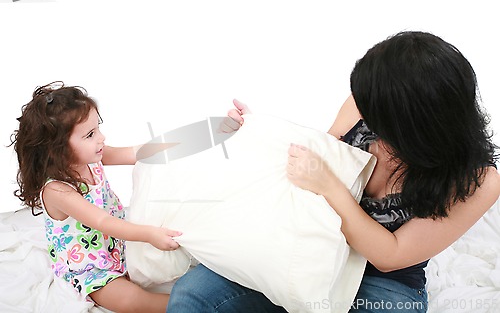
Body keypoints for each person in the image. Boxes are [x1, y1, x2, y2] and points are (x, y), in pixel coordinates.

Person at [166, 31, 500, 312]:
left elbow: (391, 256)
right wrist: (257, 133)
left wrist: (331, 188)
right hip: (316, 247)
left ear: (414, 125)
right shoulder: (366, 102)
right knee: (193, 293)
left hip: (383, 284)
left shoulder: (477, 181)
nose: (371, 120)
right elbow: (314, 160)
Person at [10, 82, 181, 313]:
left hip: (117, 245)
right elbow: (103, 222)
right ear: (58, 149)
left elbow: (134, 153)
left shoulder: (92, 157)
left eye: (97, 128)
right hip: (89, 268)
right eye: (90, 134)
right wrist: (149, 235)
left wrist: (178, 145)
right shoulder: (57, 190)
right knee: (129, 300)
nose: (101, 138)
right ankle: (195, 306)